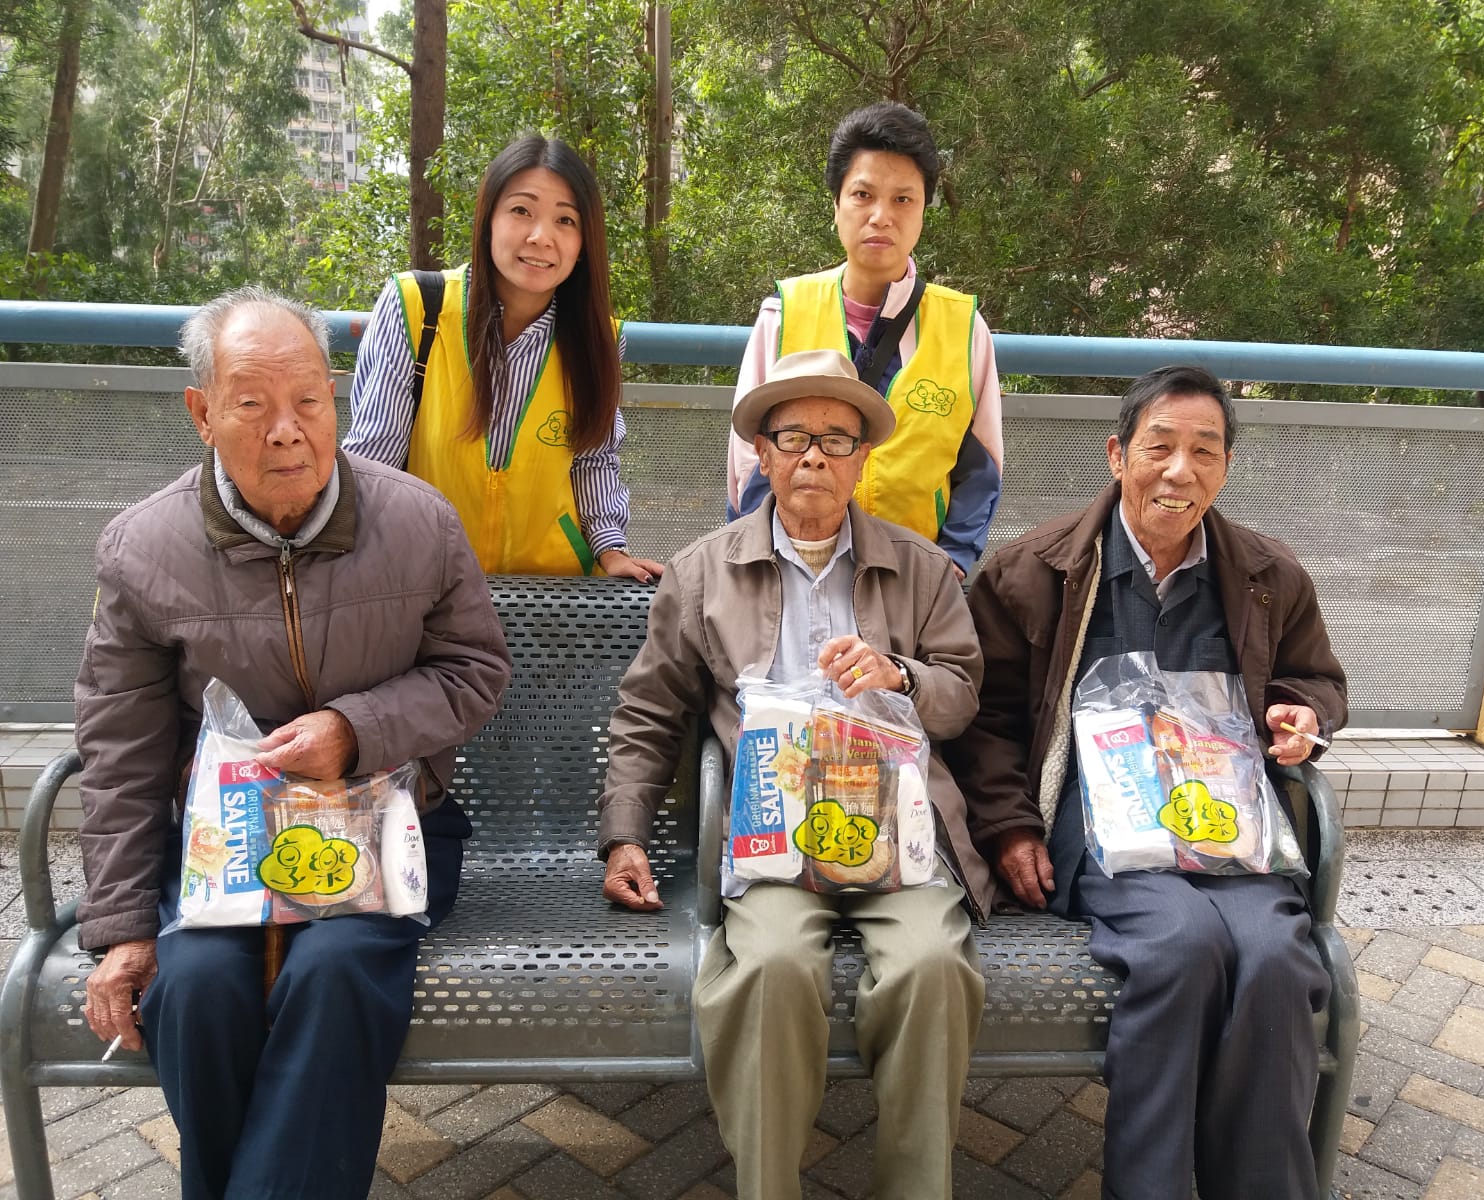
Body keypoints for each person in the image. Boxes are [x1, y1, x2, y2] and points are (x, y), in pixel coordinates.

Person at [75, 288, 512, 1200]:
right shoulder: (143, 549)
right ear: (202, 414)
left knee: (337, 970)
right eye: (251, 403)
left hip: (387, 829)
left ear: (334, 399)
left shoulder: (418, 522)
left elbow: (474, 671)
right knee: (195, 989)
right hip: (224, 847)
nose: (287, 430)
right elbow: (121, 749)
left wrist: (356, 731)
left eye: (308, 400)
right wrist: (122, 927)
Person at [600, 349, 992, 1200]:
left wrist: (900, 675)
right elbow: (649, 710)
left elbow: (961, 697)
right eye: (793, 437)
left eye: (836, 439)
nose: (813, 456)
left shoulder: (922, 568)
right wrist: (624, 834)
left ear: (861, 459)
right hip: (772, 843)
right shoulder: (703, 571)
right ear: (763, 452)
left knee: (931, 966)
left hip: (895, 840)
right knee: (771, 967)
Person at [949, 365, 1347, 1200]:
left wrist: (1300, 714)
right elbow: (983, 722)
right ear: (1116, 454)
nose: (1179, 470)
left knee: (1275, 956)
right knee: (1179, 944)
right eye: (1158, 446)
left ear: (1225, 466)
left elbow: (1315, 678)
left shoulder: (1267, 575)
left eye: (1204, 451)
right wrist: (1010, 826)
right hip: (1099, 825)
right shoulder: (1032, 570)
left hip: (1226, 823)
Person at [346, 132, 661, 581]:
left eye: (565, 220)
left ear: (584, 243)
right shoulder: (417, 309)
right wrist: (355, 561)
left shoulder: (597, 339)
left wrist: (611, 549)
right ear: (488, 219)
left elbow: (593, 459)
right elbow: (374, 461)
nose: (541, 237)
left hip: (554, 592)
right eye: (521, 211)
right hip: (430, 581)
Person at [727, 102, 1004, 578]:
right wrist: (761, 562)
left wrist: (953, 559)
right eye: (862, 194)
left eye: (903, 199)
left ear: (923, 211)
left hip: (915, 577)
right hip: (793, 571)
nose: (881, 216)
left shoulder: (964, 327)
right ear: (836, 205)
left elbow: (981, 466)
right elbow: (748, 459)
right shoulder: (783, 314)